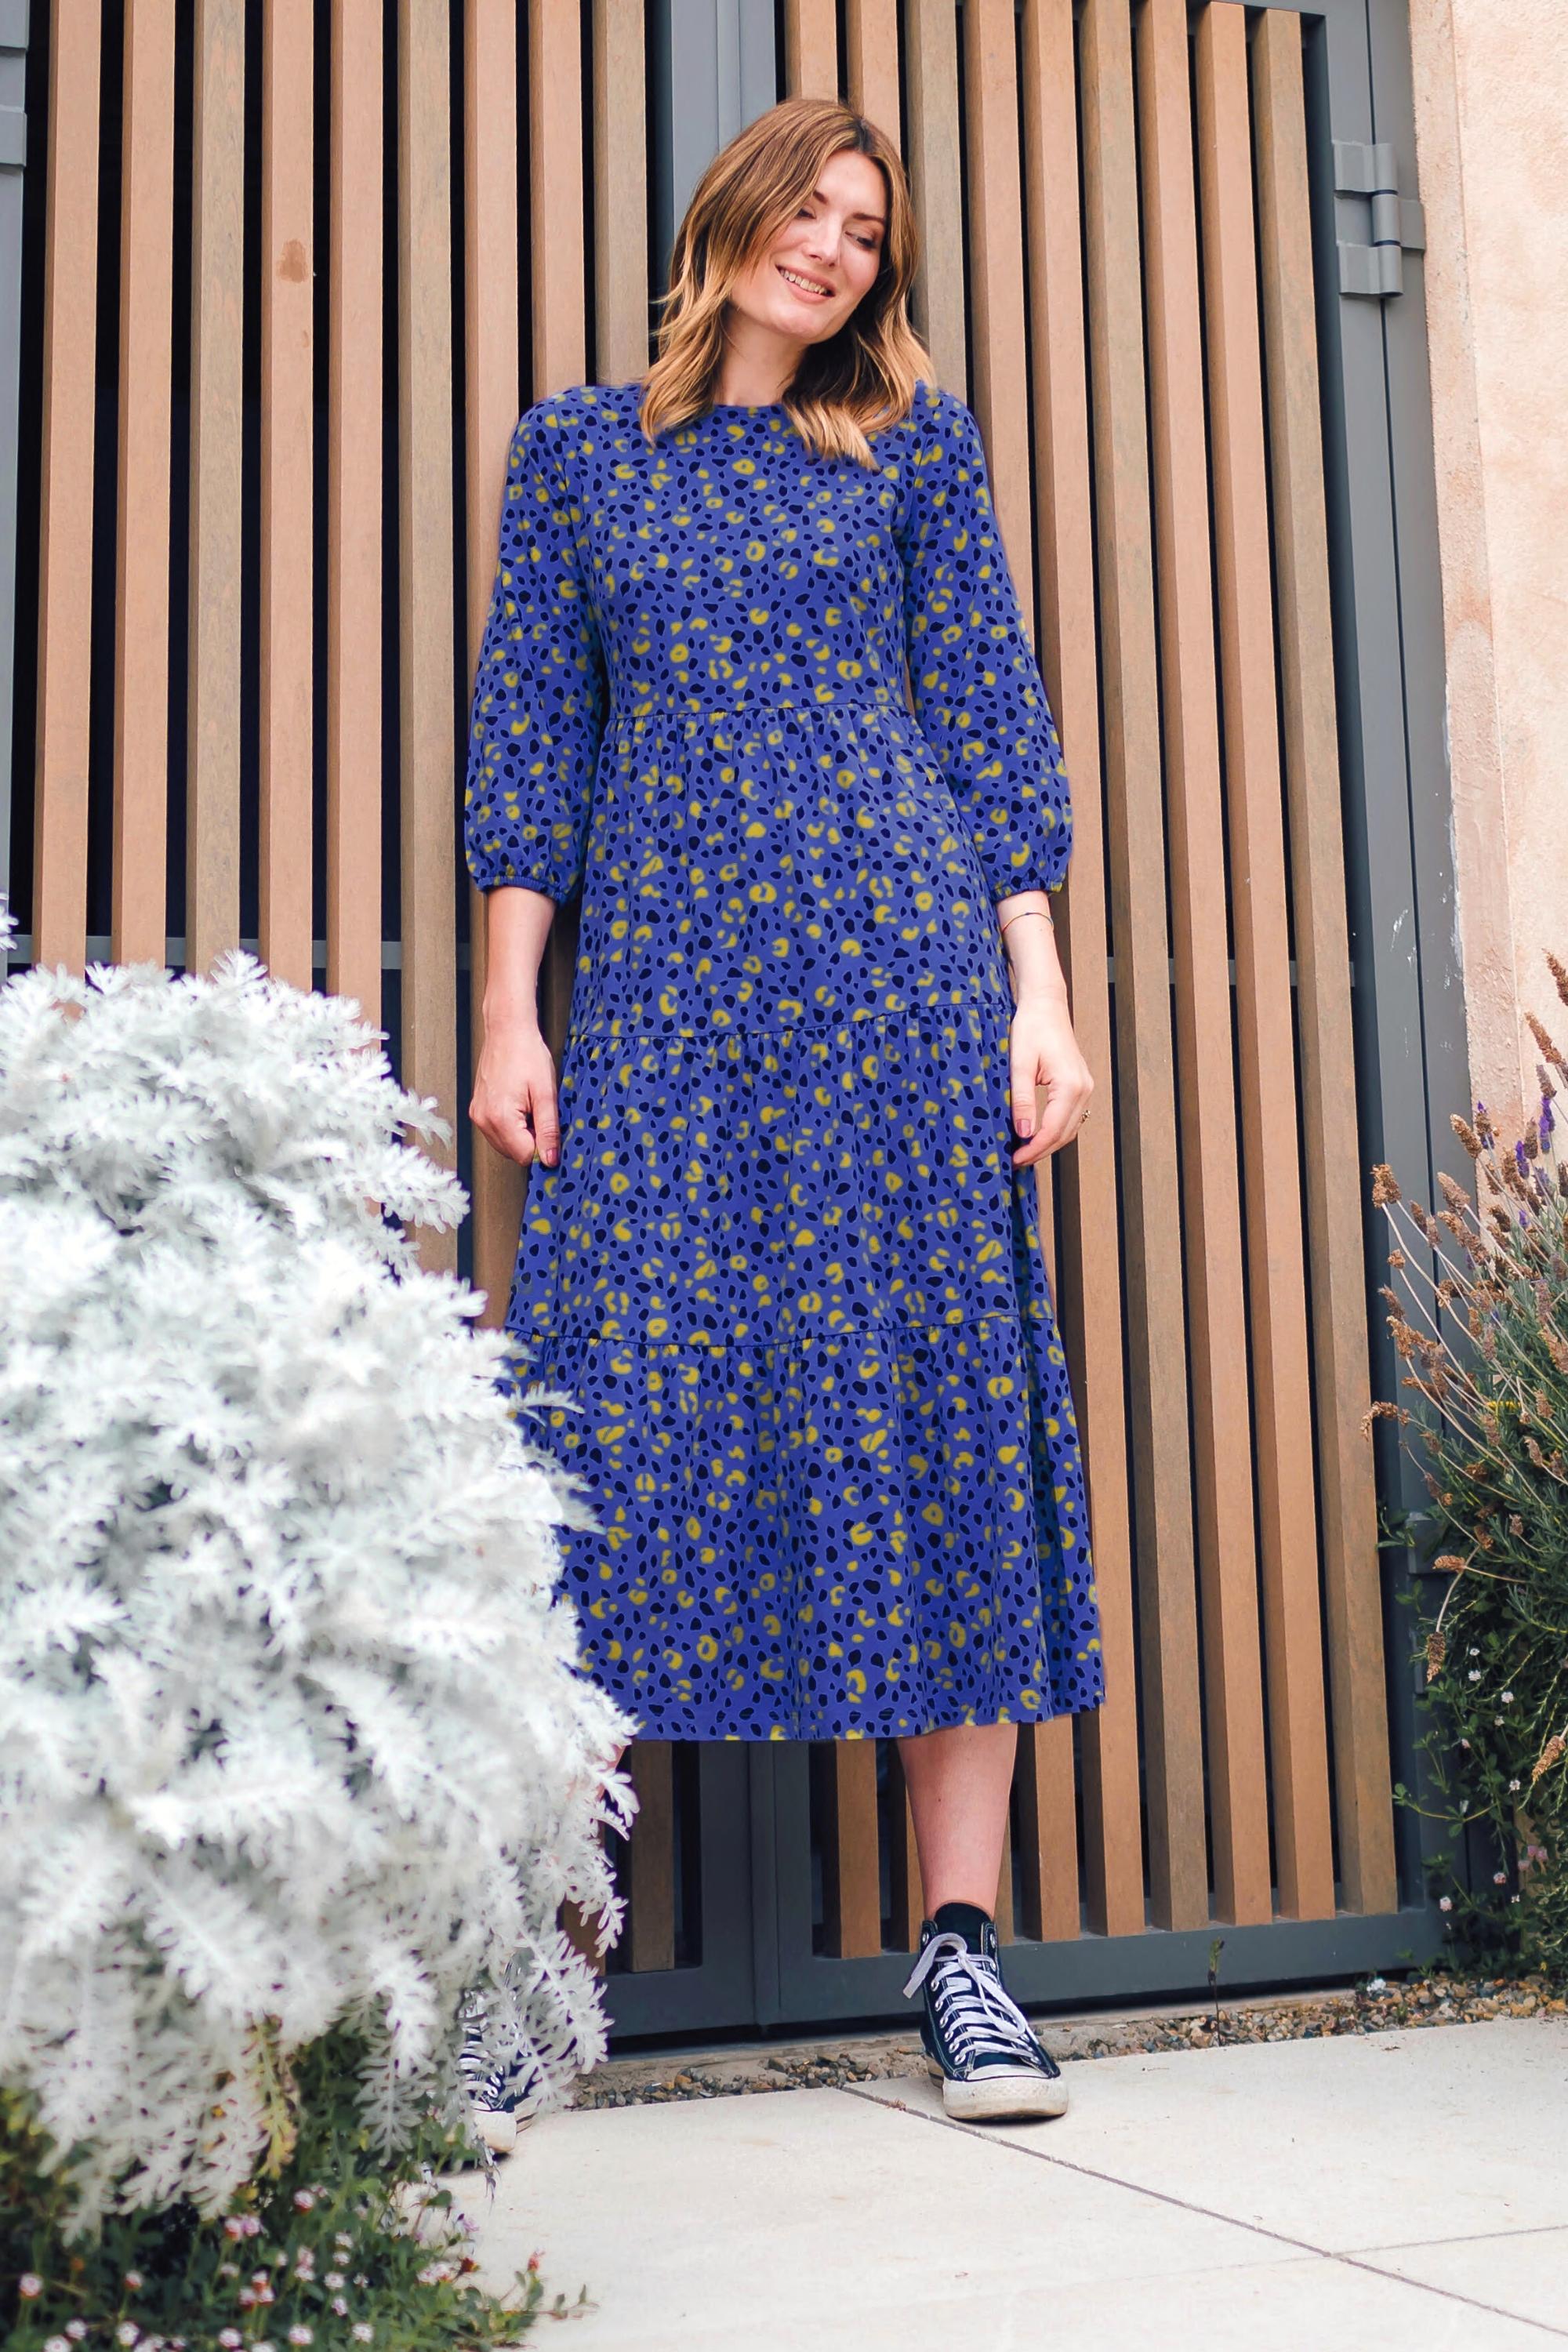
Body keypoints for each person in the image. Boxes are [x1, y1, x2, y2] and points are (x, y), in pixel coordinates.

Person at [461, 94, 1104, 2144]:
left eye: (864, 228)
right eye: (805, 211)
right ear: (729, 219)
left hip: (901, 997)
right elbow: (534, 740)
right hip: (664, 1012)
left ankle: (963, 1958)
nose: (830, 247)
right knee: (613, 1449)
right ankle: (541, 1970)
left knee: (936, 1427)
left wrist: (1039, 991)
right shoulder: (581, 455)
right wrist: (510, 1007)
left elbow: (984, 717)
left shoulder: (912, 445)